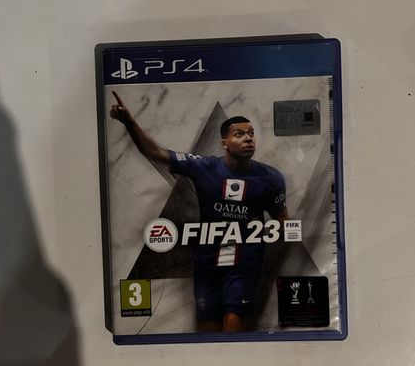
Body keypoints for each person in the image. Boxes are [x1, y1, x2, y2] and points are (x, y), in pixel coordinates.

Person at [110, 90, 287, 333]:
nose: (248, 138)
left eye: (251, 133)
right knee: (207, 335)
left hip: (244, 264)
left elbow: (282, 219)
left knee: (234, 326)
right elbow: (156, 153)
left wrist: (269, 237)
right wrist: (129, 122)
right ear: (224, 143)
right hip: (207, 263)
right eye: (239, 134)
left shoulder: (271, 178)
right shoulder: (204, 166)